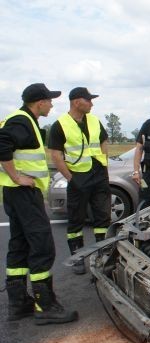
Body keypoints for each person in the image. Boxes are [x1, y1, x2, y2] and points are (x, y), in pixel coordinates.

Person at [0, 83, 78, 324]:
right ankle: (45, 306)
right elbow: (2, 144)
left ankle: (18, 303)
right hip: (23, 192)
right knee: (42, 246)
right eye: (49, 100)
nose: (52, 104)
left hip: (16, 194)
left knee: (20, 244)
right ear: (39, 102)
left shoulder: (22, 119)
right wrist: (16, 176)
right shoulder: (21, 120)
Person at [48, 87, 111, 275]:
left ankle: (103, 256)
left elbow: (104, 142)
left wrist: (104, 166)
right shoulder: (60, 125)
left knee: (102, 217)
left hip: (98, 175)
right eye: (88, 100)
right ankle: (77, 258)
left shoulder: (94, 120)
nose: (92, 103)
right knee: (76, 220)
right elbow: (56, 155)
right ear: (77, 102)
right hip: (78, 177)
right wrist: (70, 179)